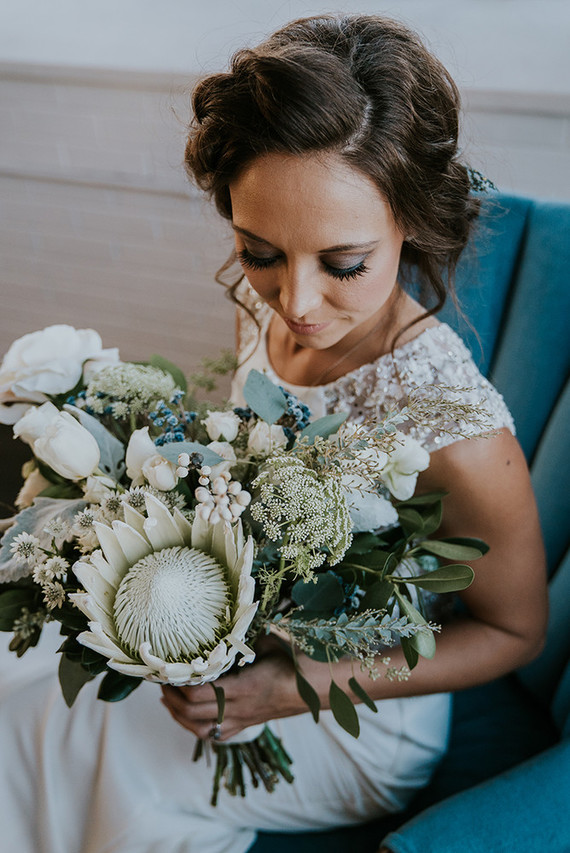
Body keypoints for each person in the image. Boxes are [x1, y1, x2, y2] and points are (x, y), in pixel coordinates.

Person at [0, 13, 547, 853]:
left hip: (357, 712)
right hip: (231, 639)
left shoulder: (459, 432)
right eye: (260, 251)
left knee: (80, 740)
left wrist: (295, 684)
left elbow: (515, 633)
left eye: (343, 264)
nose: (294, 303)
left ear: (413, 222)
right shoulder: (268, 311)